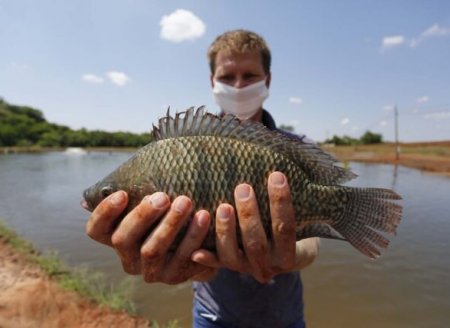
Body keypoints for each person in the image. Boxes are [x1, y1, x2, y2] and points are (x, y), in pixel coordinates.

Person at [85, 29, 320, 328]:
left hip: (285, 318)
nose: (238, 85)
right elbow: (192, 249)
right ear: (213, 82)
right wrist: (186, 262)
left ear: (267, 80)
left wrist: (288, 255)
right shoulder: (175, 150)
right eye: (227, 77)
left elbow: (313, 240)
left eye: (249, 75)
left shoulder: (297, 147)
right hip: (213, 317)